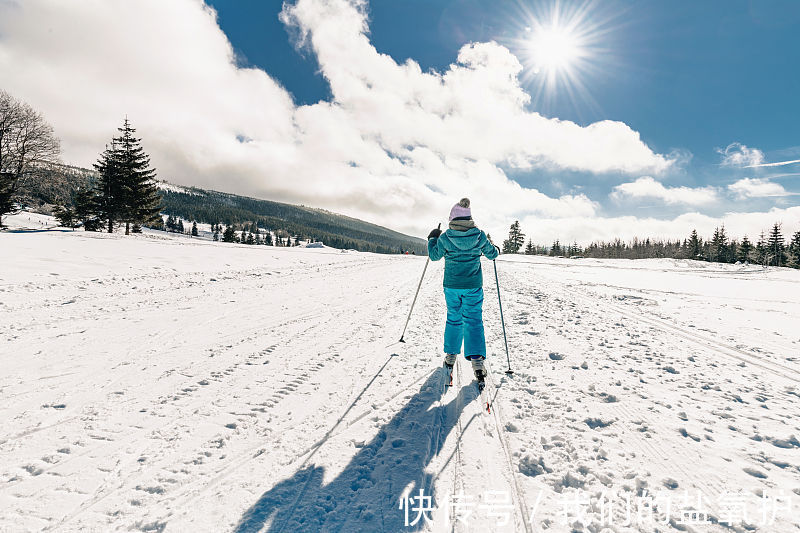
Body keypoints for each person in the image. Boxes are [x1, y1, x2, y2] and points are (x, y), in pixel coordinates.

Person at [427, 198, 499, 381]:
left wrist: (432, 238)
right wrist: (495, 248)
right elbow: (492, 254)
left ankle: (450, 356)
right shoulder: (479, 235)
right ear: (469, 218)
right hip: (473, 286)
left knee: (454, 318)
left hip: (451, 285)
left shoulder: (445, 237)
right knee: (473, 320)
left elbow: (434, 256)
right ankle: (477, 361)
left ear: (452, 220)